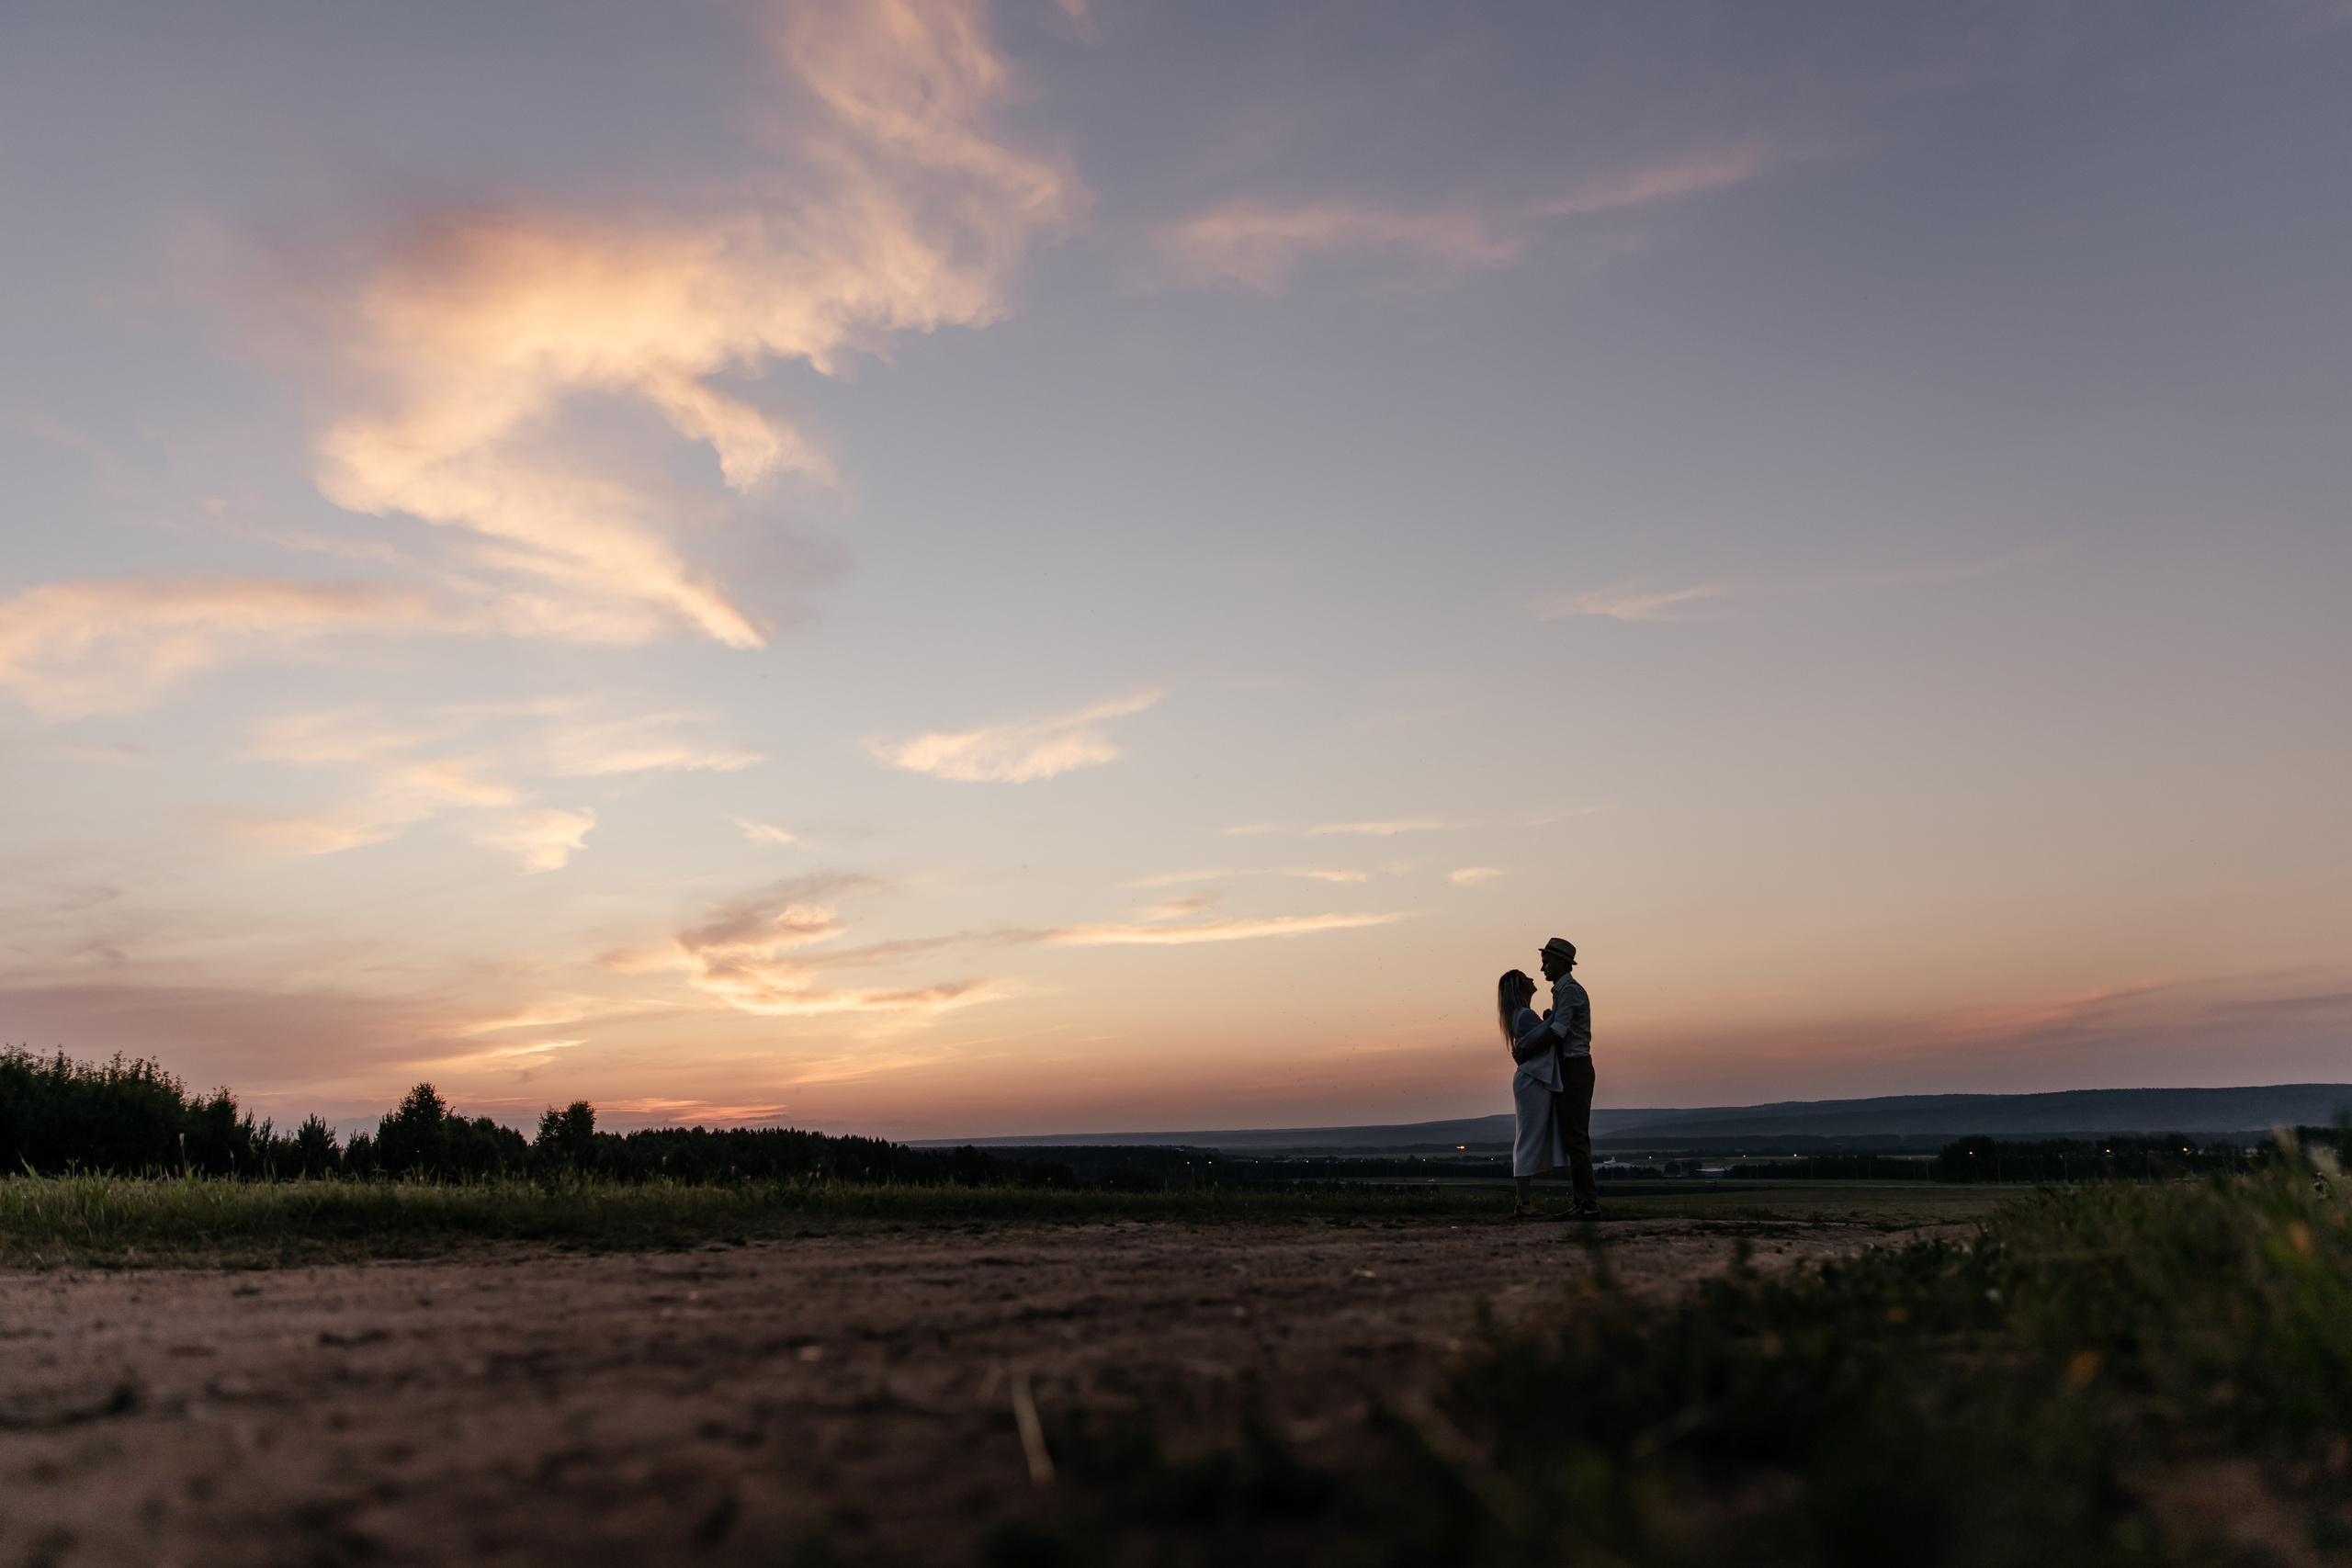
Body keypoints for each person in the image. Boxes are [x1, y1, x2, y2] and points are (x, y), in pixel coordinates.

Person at [1525, 937, 1598, 1218]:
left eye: (1546, 962)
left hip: (1574, 1067)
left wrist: (1527, 1051)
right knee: (1574, 1137)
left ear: (1560, 963)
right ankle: (1584, 1203)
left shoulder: (1569, 992)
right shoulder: (1563, 992)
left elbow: (1559, 1032)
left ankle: (1587, 1205)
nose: (1542, 967)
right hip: (1572, 1066)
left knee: (1576, 1138)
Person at [1497, 968, 1565, 1218]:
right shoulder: (1524, 1015)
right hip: (1533, 1081)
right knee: (1528, 1139)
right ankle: (1522, 1203)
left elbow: (1541, 1035)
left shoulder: (1520, 1015)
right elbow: (1549, 1038)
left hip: (1531, 1080)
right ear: (1519, 988)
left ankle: (1522, 1202)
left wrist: (1546, 1020)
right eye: (1526, 979)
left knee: (1528, 1137)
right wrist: (1551, 1021)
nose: (1532, 979)